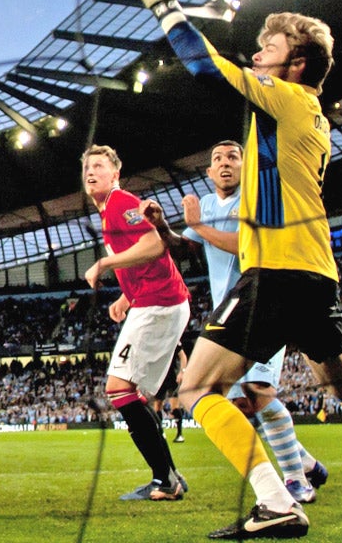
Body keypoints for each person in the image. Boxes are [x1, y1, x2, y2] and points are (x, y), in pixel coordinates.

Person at [121, 0, 342, 538]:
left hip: (276, 270)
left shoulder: (283, 100)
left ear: (296, 65)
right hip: (314, 272)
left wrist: (167, 7)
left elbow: (205, 67)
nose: (257, 54)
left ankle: (276, 501)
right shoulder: (311, 117)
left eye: (269, 48)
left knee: (195, 387)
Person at [144, 140, 328, 503]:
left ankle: (296, 480)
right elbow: (187, 248)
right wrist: (164, 227)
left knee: (258, 393)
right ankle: (304, 463)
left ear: (245, 166)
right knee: (242, 404)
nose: (225, 163)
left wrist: (198, 224)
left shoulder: (258, 197)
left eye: (233, 157)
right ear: (209, 172)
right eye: (217, 159)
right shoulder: (209, 204)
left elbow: (249, 244)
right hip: (229, 313)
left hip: (266, 302)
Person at [81, 145, 191, 502]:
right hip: (151, 300)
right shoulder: (108, 211)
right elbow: (144, 259)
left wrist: (104, 264)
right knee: (132, 393)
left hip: (161, 303)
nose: (90, 171)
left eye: (99, 165)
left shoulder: (120, 202)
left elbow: (156, 245)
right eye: (87, 167)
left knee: (119, 389)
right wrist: (126, 296)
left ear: (115, 173)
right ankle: (169, 475)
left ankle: (165, 479)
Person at [151, 343, 188, 444]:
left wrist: (182, 371)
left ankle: (180, 434)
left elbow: (183, 356)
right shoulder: (155, 340)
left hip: (172, 376)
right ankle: (160, 433)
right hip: (159, 377)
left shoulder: (173, 338)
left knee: (174, 406)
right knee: (157, 406)